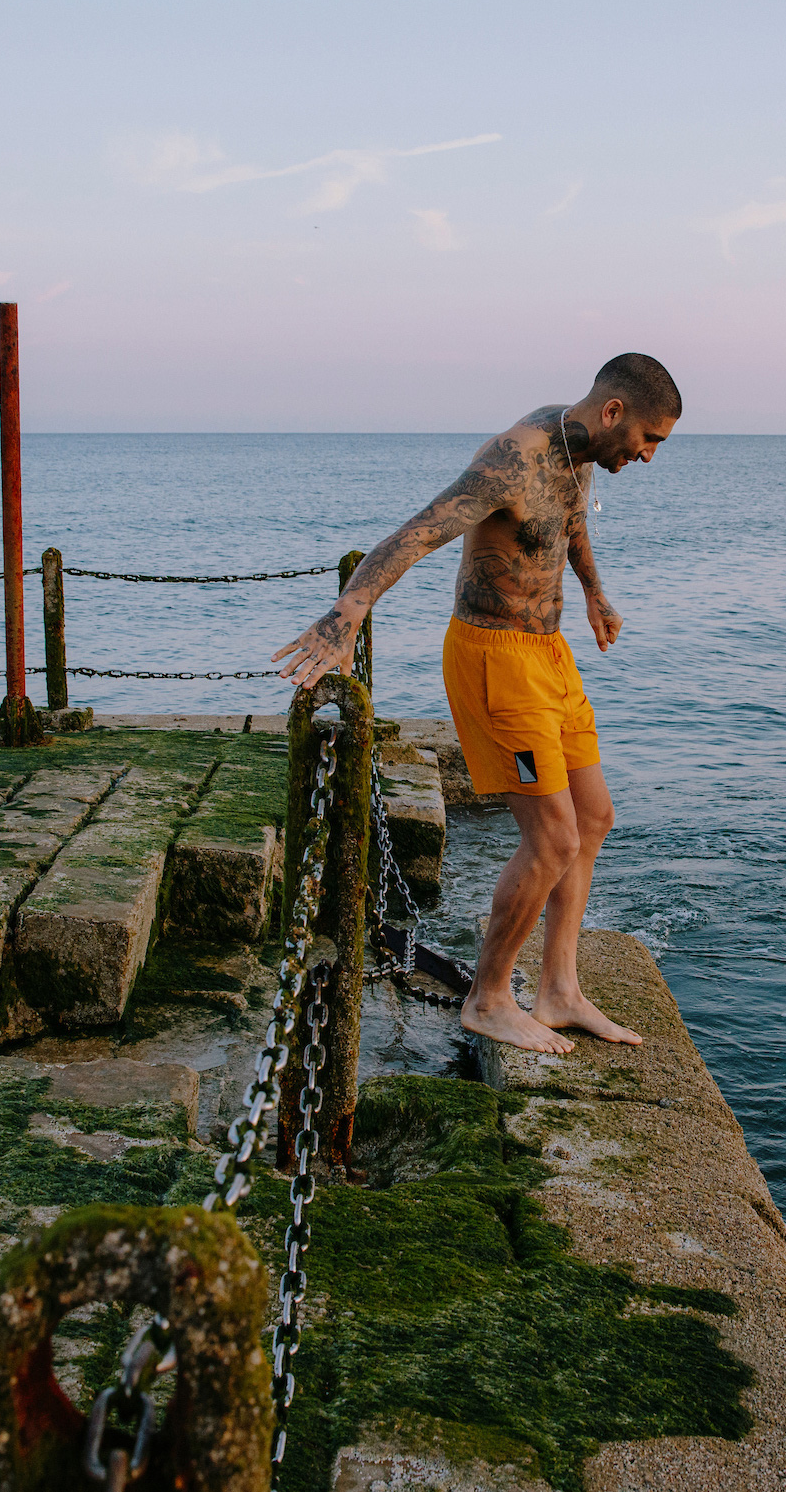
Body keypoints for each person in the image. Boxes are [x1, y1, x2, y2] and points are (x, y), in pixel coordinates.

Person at [271, 353, 681, 1054]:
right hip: (493, 657)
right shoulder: (512, 459)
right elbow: (418, 533)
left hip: (549, 652)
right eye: (649, 440)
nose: (646, 456)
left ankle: (558, 990)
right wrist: (348, 613)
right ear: (614, 412)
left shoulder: (583, 450)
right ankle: (489, 998)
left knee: (594, 816)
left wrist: (592, 592)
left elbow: (571, 522)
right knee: (551, 836)